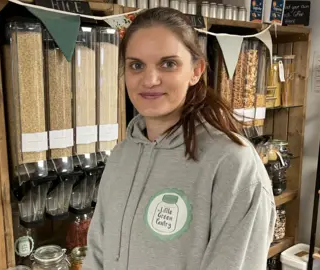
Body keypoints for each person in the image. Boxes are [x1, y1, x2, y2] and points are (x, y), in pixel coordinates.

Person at [84, 7, 276, 270]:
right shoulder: (121, 156)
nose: (150, 80)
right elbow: (97, 250)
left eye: (168, 64)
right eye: (136, 65)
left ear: (196, 71)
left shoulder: (232, 162)